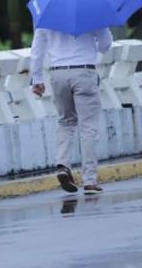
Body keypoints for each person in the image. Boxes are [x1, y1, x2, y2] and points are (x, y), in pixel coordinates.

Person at [31, 27, 112, 194]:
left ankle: (63, 165)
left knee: (65, 121)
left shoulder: (47, 13)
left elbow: (37, 48)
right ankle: (89, 180)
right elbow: (105, 45)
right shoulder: (91, 9)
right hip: (84, 71)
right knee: (88, 127)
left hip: (58, 74)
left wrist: (37, 77)